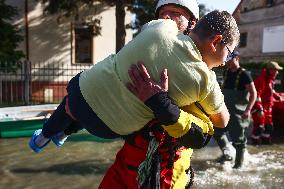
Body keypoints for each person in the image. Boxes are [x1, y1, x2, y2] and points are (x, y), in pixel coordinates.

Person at [29, 9, 238, 187]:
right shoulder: (200, 77)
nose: (167, 17)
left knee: (74, 104)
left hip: (162, 172)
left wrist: (163, 105)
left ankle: (55, 133)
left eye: (176, 14)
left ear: (193, 23)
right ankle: (60, 131)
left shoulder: (198, 74)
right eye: (163, 13)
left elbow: (204, 132)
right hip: (126, 157)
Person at [213, 51, 257, 169]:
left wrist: (248, 110)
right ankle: (227, 153)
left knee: (239, 140)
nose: (227, 61)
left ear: (237, 58)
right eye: (226, 59)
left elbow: (253, 93)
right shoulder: (226, 71)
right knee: (216, 132)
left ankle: (238, 165)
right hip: (224, 109)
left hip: (238, 112)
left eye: (229, 59)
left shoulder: (244, 74)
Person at [251, 61, 283, 145]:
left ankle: (265, 144)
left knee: (269, 127)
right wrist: (259, 108)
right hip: (259, 108)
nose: (277, 72)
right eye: (276, 70)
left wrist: (276, 96)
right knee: (259, 128)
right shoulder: (261, 80)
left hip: (268, 107)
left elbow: (270, 90)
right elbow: (256, 95)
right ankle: (255, 145)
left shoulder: (270, 80)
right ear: (270, 70)